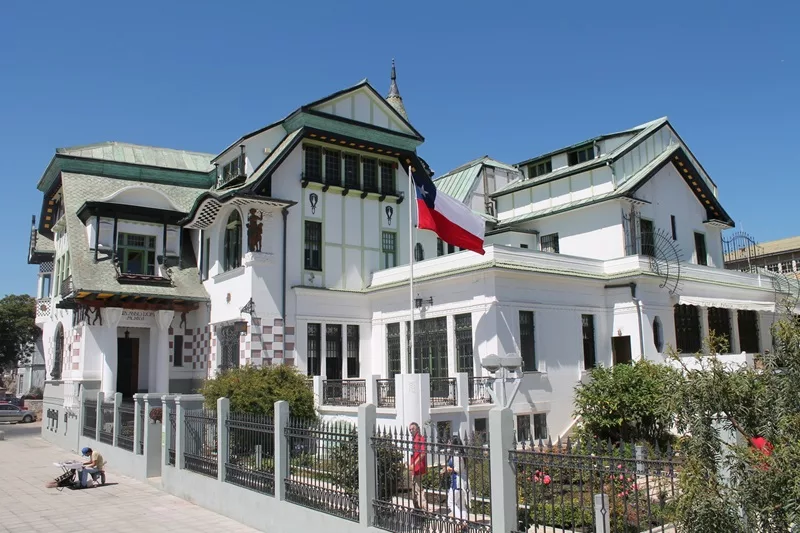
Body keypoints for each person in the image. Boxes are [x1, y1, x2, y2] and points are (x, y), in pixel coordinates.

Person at [445, 436, 470, 529]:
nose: (448, 444)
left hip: (457, 482)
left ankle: (460, 521)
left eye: (450, 442)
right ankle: (464, 522)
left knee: (450, 502)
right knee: (461, 504)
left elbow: (458, 469)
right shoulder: (461, 454)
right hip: (463, 482)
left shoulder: (456, 455)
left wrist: (448, 469)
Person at [408, 422, 427, 510]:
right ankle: (417, 508)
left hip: (418, 467)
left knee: (418, 489)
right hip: (414, 468)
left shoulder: (420, 439)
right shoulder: (413, 439)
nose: (411, 431)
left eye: (413, 429)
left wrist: (414, 464)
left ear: (417, 429)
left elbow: (423, 453)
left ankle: (424, 508)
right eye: (410, 429)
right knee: (414, 490)